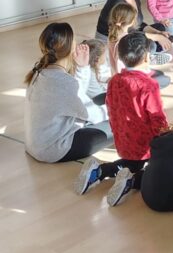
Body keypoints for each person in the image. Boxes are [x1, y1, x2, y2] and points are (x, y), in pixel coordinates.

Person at [76, 32, 168, 205]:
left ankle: (99, 172)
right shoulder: (148, 84)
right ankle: (131, 181)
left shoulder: (115, 80)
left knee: (131, 162)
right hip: (144, 144)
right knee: (158, 168)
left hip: (122, 141)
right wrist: (166, 138)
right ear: (147, 56)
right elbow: (157, 118)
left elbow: (111, 108)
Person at [24, 22, 113, 163]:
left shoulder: (41, 71)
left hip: (38, 145)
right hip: (53, 149)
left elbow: (76, 96)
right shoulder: (63, 81)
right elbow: (94, 115)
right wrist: (120, 110)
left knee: (105, 98)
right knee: (120, 123)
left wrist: (82, 67)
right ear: (70, 47)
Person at [94, 0, 173, 54]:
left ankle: (151, 51)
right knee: (151, 46)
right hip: (114, 39)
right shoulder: (118, 4)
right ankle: (148, 55)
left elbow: (138, 24)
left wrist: (158, 33)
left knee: (161, 28)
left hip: (130, 31)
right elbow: (129, 33)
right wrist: (157, 37)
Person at [106, 2, 172, 87]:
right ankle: (147, 61)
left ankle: (148, 60)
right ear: (132, 21)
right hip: (129, 79)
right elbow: (122, 66)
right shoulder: (126, 40)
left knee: (158, 73)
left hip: (118, 75)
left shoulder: (112, 35)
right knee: (163, 78)